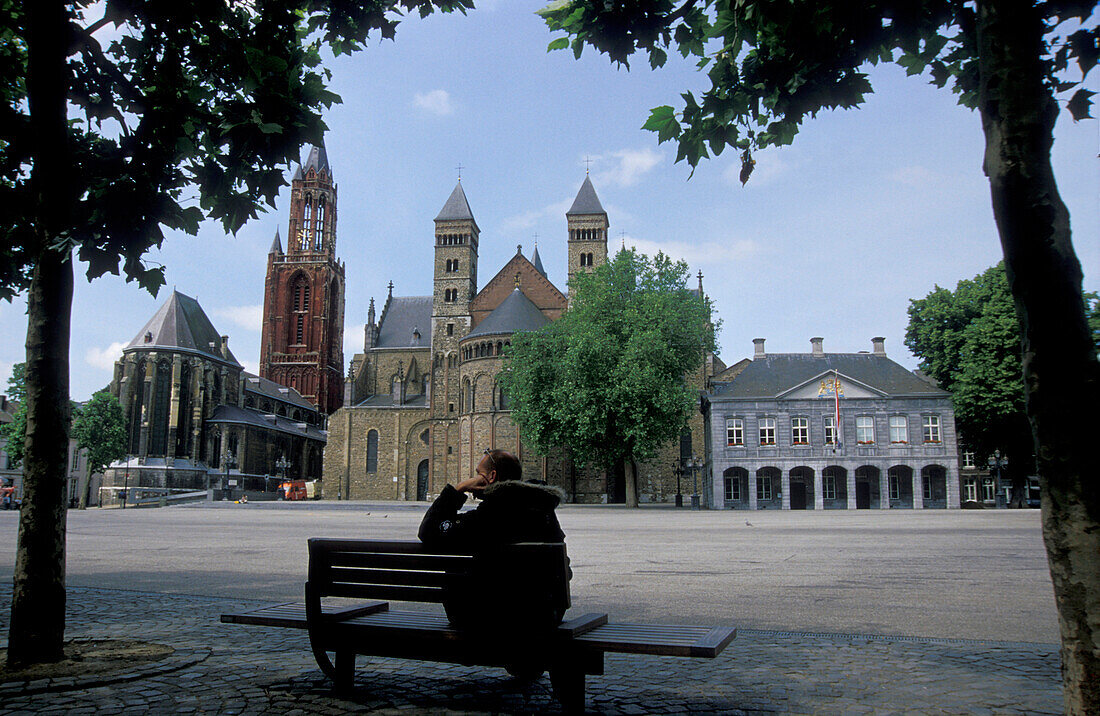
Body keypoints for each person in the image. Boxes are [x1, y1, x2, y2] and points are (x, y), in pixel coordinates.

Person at [418, 449, 570, 640]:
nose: (475, 478)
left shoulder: (490, 514)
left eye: (478, 474)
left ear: (492, 476)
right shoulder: (544, 510)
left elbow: (428, 531)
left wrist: (459, 489)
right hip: (545, 615)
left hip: (493, 618)